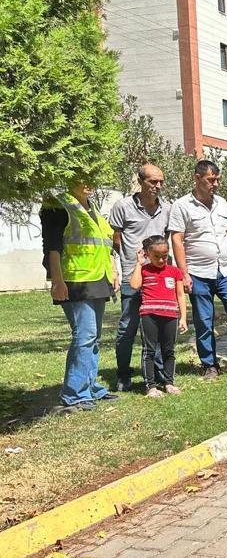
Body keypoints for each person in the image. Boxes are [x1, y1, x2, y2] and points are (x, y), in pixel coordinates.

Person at [169, 160, 227, 379]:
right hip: (198, 272)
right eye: (211, 180)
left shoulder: (221, 203)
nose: (216, 184)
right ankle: (209, 364)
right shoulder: (182, 205)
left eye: (217, 179)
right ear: (197, 178)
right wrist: (184, 273)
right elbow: (177, 240)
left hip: (226, 269)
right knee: (204, 318)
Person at [41, 183, 119, 412]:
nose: (89, 184)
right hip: (75, 280)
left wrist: (113, 271)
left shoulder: (93, 207)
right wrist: (57, 280)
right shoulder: (57, 205)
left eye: (92, 179)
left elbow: (105, 245)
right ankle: (74, 393)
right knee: (84, 336)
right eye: (82, 178)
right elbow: (52, 247)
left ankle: (90, 386)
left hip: (98, 278)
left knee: (92, 338)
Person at [110, 164, 170, 391]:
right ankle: (123, 373)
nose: (158, 186)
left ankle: (158, 373)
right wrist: (122, 267)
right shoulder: (123, 207)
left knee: (156, 327)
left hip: (158, 278)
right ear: (140, 181)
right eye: (153, 181)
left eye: (161, 182)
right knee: (128, 326)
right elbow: (115, 240)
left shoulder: (167, 208)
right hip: (131, 275)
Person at [129, 235, 187, 398]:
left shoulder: (174, 271)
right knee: (149, 350)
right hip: (149, 315)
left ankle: (169, 383)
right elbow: (134, 285)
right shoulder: (145, 270)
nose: (161, 260)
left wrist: (183, 317)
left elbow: (180, 295)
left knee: (169, 350)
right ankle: (151, 386)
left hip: (170, 315)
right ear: (147, 254)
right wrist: (139, 264)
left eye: (164, 256)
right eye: (156, 256)